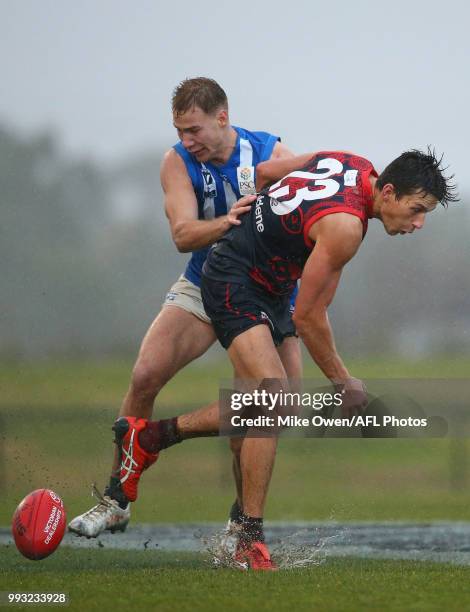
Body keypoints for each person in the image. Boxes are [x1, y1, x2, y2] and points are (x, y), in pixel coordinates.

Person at [96, 148, 456, 570]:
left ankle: (157, 445)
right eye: (416, 210)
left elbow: (263, 173)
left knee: (277, 406)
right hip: (235, 278)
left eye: (425, 214)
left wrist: (255, 220)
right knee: (274, 398)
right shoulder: (346, 228)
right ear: (389, 192)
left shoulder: (350, 161)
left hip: (267, 284)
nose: (418, 223)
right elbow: (308, 315)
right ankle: (241, 530)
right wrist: (344, 381)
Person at [68, 77, 302, 539]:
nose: (185, 140)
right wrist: (228, 224)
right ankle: (116, 499)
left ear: (223, 117)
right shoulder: (177, 163)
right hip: (205, 281)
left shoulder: (272, 156)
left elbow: (303, 221)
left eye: (193, 130)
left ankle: (242, 526)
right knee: (144, 374)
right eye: (179, 130)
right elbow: (182, 234)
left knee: (260, 413)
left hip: (262, 295)